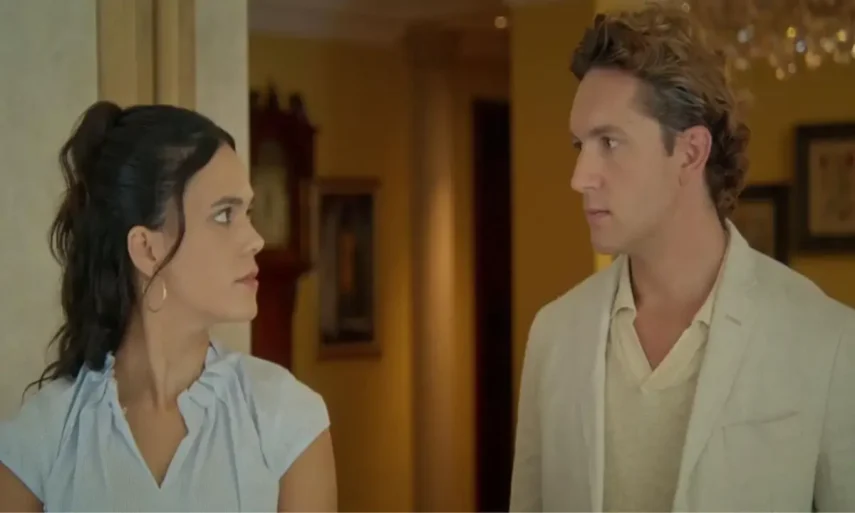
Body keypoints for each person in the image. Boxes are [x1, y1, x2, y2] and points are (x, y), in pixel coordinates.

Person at [509, 4, 854, 512]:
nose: (580, 177)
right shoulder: (554, 335)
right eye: (580, 145)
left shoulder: (827, 341)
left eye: (610, 142)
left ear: (690, 153)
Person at [0, 101, 337, 511]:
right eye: (224, 215)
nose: (255, 239)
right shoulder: (40, 441)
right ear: (147, 248)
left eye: (247, 212)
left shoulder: (289, 420)